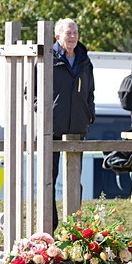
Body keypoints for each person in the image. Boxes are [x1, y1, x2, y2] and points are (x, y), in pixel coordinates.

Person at [51, 18, 95, 214]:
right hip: (50, 129)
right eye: (68, 33)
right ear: (57, 36)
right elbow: (31, 92)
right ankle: (49, 227)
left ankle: (74, 228)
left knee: (75, 180)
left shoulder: (85, 60)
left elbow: (90, 91)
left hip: (77, 127)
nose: (73, 36)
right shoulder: (47, 59)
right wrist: (46, 112)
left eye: (75, 32)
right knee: (48, 181)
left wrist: (89, 115)